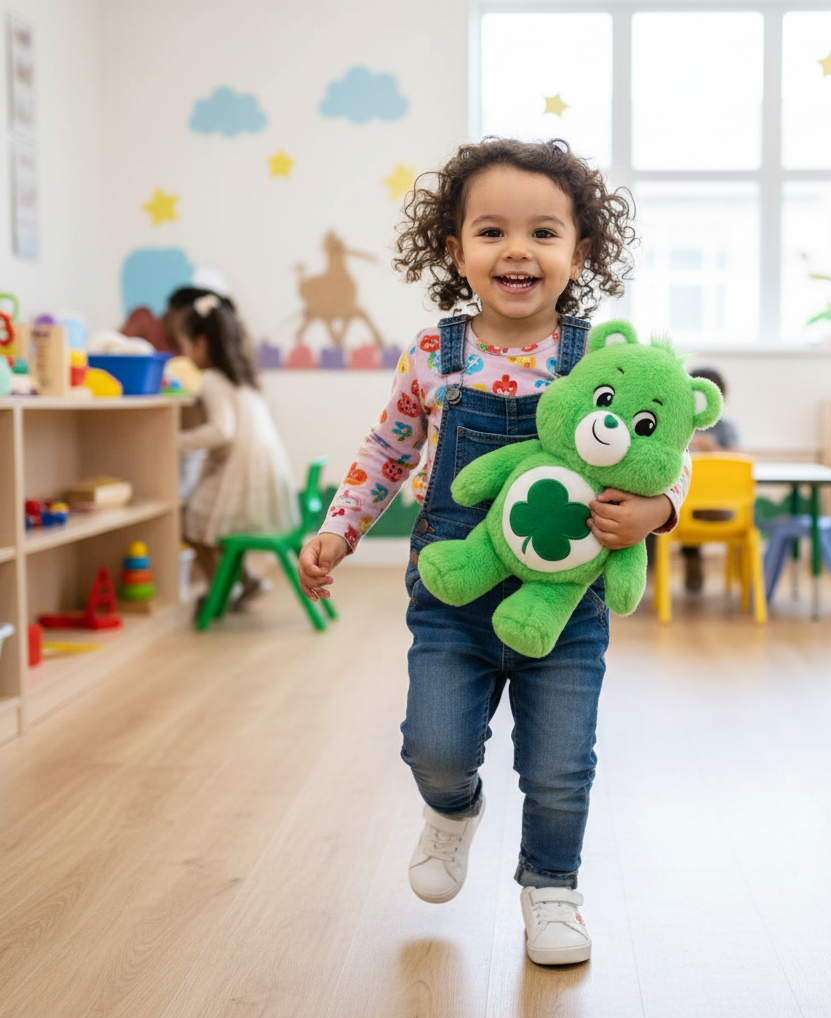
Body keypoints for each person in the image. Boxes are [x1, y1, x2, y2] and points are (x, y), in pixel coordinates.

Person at [297, 138, 691, 966]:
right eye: (492, 231)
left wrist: (657, 507)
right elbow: (387, 450)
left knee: (559, 763)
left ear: (581, 251)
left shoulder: (603, 360)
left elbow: (670, 450)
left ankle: (553, 892)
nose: (518, 250)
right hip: (452, 594)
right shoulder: (431, 356)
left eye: (544, 233)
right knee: (434, 744)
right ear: (455, 250)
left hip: (565, 606)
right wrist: (340, 528)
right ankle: (452, 809)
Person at [174, 290, 298, 613]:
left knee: (189, 520)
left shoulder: (212, 380)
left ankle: (220, 589)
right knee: (221, 527)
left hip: (241, 471)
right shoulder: (244, 378)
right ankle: (247, 580)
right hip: (260, 472)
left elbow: (221, 430)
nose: (184, 355)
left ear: (201, 344)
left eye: (184, 346)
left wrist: (176, 442)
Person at [681, 366, 741, 593]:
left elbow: (739, 462)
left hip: (719, 505)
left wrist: (713, 449)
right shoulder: (680, 425)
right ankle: (690, 560)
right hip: (682, 506)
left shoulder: (727, 427)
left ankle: (694, 561)